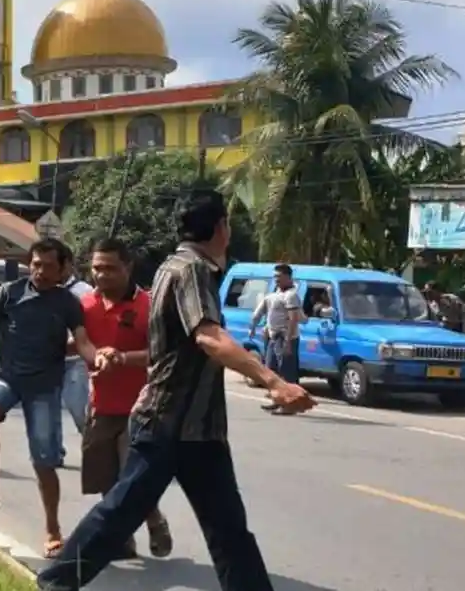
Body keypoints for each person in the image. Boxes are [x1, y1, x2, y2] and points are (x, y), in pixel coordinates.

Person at [36, 189, 316, 591]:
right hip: (167, 424)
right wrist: (273, 381)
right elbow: (208, 336)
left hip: (200, 431)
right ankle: (54, 583)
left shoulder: (174, 267)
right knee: (119, 514)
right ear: (221, 228)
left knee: (229, 531)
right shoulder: (191, 270)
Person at [0, 238, 102, 559]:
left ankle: (52, 530)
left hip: (44, 387)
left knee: (44, 462)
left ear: (63, 268)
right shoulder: (8, 292)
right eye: (36, 264)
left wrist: (98, 357)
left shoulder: (68, 302)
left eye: (49, 266)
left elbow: (82, 342)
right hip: (8, 379)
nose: (40, 271)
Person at [78, 237, 172, 560]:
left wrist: (122, 357)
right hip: (100, 406)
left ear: (127, 267)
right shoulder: (85, 305)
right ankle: (123, 537)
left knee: (130, 477)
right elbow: (78, 342)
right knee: (105, 476)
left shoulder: (149, 305)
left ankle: (154, 519)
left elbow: (162, 354)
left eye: (110, 268)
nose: (102, 275)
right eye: (96, 268)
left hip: (141, 407)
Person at [57, 241, 94, 466]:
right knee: (48, 411)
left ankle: (95, 451)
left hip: (75, 360)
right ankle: (53, 452)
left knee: (78, 408)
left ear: (68, 265)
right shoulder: (41, 291)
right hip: (48, 362)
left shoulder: (84, 293)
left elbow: (88, 330)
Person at [248, 263, 303, 414]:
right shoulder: (275, 293)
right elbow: (263, 313)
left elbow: (293, 319)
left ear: (288, 277)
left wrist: (288, 341)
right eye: (275, 276)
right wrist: (254, 327)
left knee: (287, 372)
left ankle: (290, 405)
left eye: (279, 276)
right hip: (273, 337)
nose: (276, 279)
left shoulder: (291, 295)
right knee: (272, 370)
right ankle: (277, 400)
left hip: (285, 337)